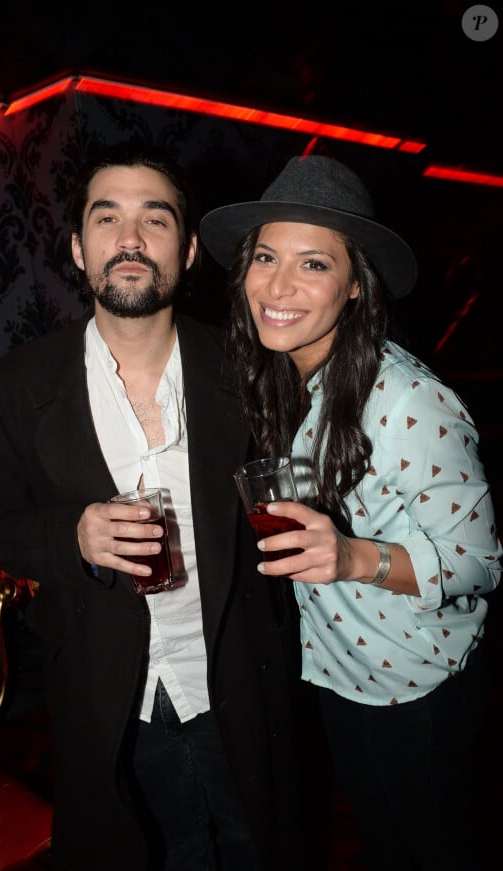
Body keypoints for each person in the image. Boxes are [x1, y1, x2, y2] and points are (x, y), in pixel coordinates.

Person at [0, 142, 303, 871]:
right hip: (105, 701)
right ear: (80, 249)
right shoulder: (15, 387)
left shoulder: (251, 370)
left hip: (239, 689)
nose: (131, 240)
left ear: (188, 251)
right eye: (107, 217)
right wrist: (71, 534)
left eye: (156, 219)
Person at [199, 153, 503, 870]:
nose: (278, 284)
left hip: (418, 681)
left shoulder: (406, 401)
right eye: (267, 256)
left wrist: (353, 555)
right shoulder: (280, 378)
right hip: (338, 671)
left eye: (314, 264)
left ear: (357, 284)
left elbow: (483, 564)